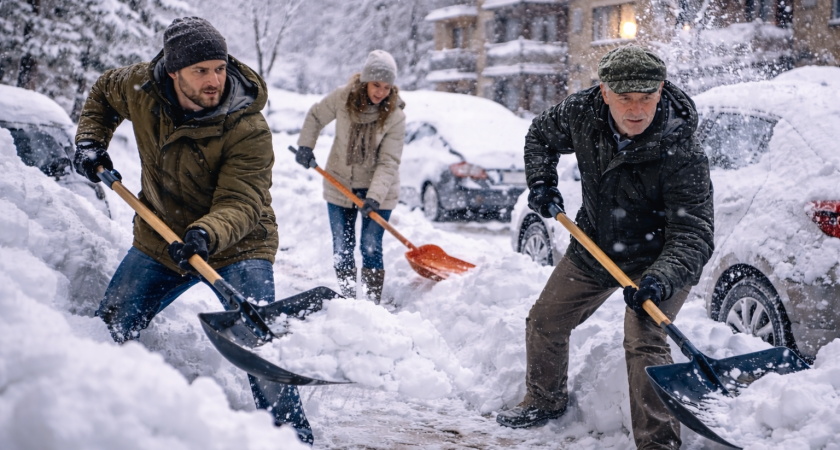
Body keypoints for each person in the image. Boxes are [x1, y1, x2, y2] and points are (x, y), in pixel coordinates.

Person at [73, 17, 313, 445]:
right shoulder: (140, 89)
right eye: (201, 70)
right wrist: (91, 142)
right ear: (173, 71)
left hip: (238, 244)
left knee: (259, 346)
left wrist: (204, 234)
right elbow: (103, 93)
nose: (214, 80)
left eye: (219, 68)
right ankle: (90, 418)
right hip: (161, 236)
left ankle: (292, 438)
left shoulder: (247, 126)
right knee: (109, 325)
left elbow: (242, 202)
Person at [496, 46, 714, 450]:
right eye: (625, 98)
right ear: (604, 92)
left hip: (660, 258)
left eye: (646, 97)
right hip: (595, 242)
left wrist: (660, 281)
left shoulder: (682, 151)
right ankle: (544, 400)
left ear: (661, 90)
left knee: (645, 340)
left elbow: (693, 233)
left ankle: (658, 443)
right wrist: (542, 182)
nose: (636, 110)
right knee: (545, 320)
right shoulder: (582, 112)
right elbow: (540, 135)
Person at [292, 50, 406, 305]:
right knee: (342, 247)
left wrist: (374, 197)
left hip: (380, 190)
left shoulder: (395, 116)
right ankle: (349, 301)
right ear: (365, 81)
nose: (381, 92)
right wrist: (306, 146)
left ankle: (371, 305)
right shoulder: (343, 98)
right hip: (340, 182)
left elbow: (388, 162)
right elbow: (316, 116)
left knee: (370, 246)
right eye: (376, 85)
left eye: (387, 87)